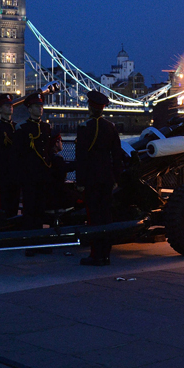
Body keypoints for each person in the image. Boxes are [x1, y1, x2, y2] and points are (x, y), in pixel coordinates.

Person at [76, 90, 124, 266]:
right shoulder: (110, 127)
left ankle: (96, 255)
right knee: (106, 217)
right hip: (107, 179)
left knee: (94, 218)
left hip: (91, 180)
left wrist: (80, 182)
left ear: (90, 107)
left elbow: (81, 157)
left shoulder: (84, 127)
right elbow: (116, 156)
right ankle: (106, 254)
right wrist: (116, 178)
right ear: (102, 109)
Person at [14, 93, 54, 253]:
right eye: (37, 106)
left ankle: (41, 242)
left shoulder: (45, 127)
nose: (40, 109)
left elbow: (48, 151)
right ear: (30, 109)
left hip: (43, 174)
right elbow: (17, 154)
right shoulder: (22, 128)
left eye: (41, 106)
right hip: (29, 175)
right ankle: (30, 244)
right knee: (29, 210)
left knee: (41, 209)